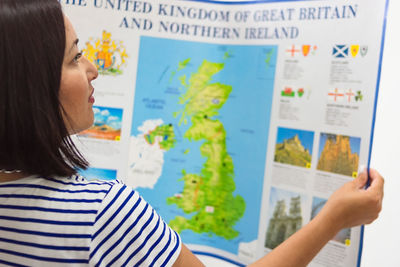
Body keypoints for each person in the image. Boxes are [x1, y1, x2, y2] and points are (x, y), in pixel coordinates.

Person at [0, 0, 384, 266]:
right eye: (74, 57)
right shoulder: (102, 212)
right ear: (30, 86)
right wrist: (332, 218)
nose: (93, 68)